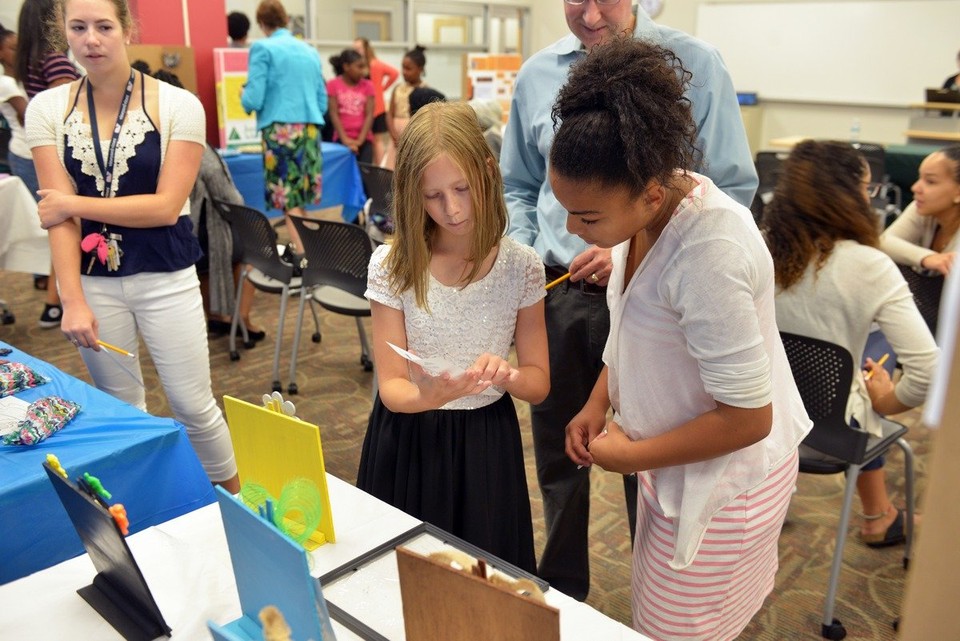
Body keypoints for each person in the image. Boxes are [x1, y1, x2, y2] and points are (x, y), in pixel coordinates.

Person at [500, 0, 758, 601]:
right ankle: (562, 586)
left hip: (660, 301)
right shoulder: (537, 74)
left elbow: (732, 191)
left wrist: (631, 250)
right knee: (561, 450)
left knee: (648, 459)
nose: (589, 14)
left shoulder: (696, 65)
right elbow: (518, 183)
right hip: (558, 291)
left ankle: (657, 581)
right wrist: (527, 251)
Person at [554, 38, 807, 639]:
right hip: (676, 464)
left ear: (650, 196)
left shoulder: (709, 251)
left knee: (679, 629)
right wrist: (597, 402)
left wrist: (631, 455)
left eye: (587, 218)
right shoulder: (650, 196)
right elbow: (638, 334)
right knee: (657, 616)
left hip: (725, 484)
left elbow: (748, 417)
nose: (572, 230)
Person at [26, 0, 239, 493]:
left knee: (193, 406)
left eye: (103, 26)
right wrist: (71, 299)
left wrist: (73, 203)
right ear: (63, 32)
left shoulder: (178, 104)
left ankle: (238, 506)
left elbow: (167, 206)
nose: (91, 40)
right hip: (94, 285)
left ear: (127, 29)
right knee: (122, 408)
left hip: (166, 277)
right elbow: (59, 222)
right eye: (78, 28)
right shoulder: (47, 111)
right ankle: (149, 506)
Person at [356, 101, 550, 574]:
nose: (453, 208)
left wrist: (507, 376)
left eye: (462, 188)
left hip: (486, 443)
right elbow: (393, 387)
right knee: (405, 576)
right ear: (411, 196)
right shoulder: (392, 265)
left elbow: (539, 381)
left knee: (483, 579)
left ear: (488, 172)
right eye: (433, 196)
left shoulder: (520, 267)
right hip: (409, 440)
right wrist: (430, 393)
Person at [765, 140, 937, 547]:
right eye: (866, 188)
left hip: (756, 422)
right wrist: (889, 402)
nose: (869, 197)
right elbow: (930, 372)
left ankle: (779, 496)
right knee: (872, 358)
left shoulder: (758, 245)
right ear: (845, 195)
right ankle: (879, 516)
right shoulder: (869, 266)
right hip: (833, 433)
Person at [153, 69, 265, 341]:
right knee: (255, 250)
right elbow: (227, 195)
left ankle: (216, 316)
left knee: (211, 256)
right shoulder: (193, 143)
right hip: (201, 233)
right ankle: (242, 320)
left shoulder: (150, 141)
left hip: (173, 233)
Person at [240, 0, 326, 255]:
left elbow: (254, 98)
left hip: (281, 132)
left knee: (287, 199)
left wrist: (243, 95)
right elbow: (321, 99)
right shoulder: (310, 51)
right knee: (301, 198)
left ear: (262, 24)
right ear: (286, 19)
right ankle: (312, 250)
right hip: (310, 130)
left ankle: (305, 258)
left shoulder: (263, 48)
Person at [15, 0, 81, 328]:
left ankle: (55, 303)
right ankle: (57, 303)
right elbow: (68, 114)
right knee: (67, 223)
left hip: (37, 153)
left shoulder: (29, 57)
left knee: (61, 222)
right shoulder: (54, 59)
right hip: (60, 154)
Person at [880, 145, 960, 276]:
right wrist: (927, 257)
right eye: (919, 178)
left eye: (930, 181)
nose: (915, 188)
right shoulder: (922, 207)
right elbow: (883, 242)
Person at [353, 37, 398, 167]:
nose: (356, 51)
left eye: (358, 48)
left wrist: (382, 88)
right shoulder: (364, 65)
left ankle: (378, 168)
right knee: (372, 140)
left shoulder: (374, 64)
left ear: (365, 48)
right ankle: (375, 167)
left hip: (376, 107)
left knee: (377, 140)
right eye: (355, 48)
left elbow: (394, 73)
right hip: (366, 108)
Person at [326, 48, 374, 165]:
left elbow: (369, 114)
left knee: (364, 177)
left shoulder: (368, 85)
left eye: (364, 67)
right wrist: (345, 139)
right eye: (359, 67)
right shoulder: (333, 85)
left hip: (364, 140)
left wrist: (360, 141)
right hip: (341, 139)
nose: (363, 71)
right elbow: (334, 114)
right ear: (346, 67)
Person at [388, 45, 426, 145]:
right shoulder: (397, 88)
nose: (404, 72)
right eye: (403, 68)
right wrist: (393, 134)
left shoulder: (425, 90)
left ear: (420, 69)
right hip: (395, 137)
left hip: (413, 136)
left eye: (408, 69)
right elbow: (390, 114)